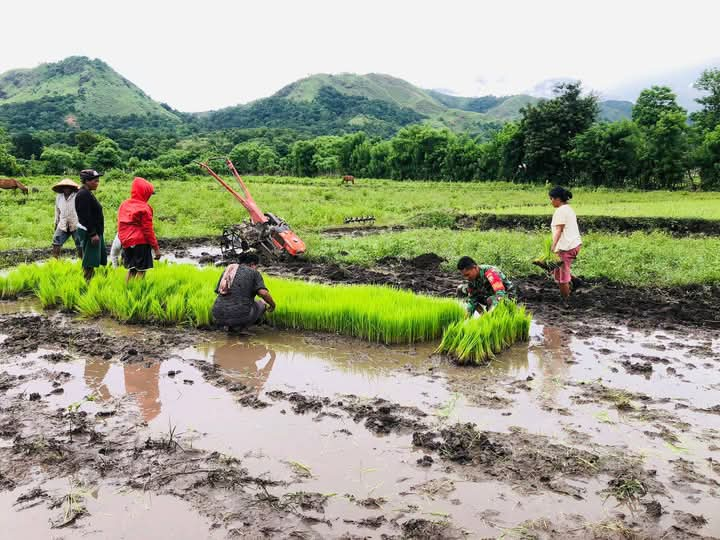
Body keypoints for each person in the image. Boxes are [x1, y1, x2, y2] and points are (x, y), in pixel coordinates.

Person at [212, 253, 276, 332]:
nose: (256, 268)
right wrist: (273, 305)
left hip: (217, 315)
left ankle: (231, 328)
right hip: (240, 315)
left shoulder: (228, 270)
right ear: (252, 264)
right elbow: (263, 293)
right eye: (257, 266)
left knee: (237, 303)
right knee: (262, 304)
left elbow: (219, 291)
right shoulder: (254, 273)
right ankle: (240, 328)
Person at [117, 177, 160, 282]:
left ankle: (127, 291)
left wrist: (123, 240)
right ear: (145, 193)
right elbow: (148, 230)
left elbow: (120, 224)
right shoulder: (145, 208)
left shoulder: (124, 204)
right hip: (141, 242)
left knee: (131, 270)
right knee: (142, 270)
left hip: (127, 242)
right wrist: (156, 248)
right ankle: (137, 293)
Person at [548, 186, 582, 300]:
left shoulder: (561, 211)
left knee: (562, 278)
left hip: (566, 248)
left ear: (558, 199)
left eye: (551, 198)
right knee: (559, 269)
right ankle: (575, 280)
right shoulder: (568, 208)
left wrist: (552, 247)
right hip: (574, 244)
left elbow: (559, 230)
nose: (551, 201)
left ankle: (566, 300)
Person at [75, 169, 107, 281]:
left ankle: (89, 281)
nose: (97, 183)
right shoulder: (83, 194)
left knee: (91, 259)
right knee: (89, 260)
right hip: (90, 232)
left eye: (98, 181)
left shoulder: (87, 193)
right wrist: (93, 234)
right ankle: (87, 283)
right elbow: (85, 217)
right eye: (95, 180)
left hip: (92, 231)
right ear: (87, 181)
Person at [51, 178, 82, 259]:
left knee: (80, 244)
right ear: (62, 188)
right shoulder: (59, 197)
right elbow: (57, 210)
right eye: (65, 187)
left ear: (72, 188)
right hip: (63, 223)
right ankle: (55, 261)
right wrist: (56, 223)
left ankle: (82, 261)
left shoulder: (77, 195)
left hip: (76, 223)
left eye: (68, 187)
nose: (66, 189)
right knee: (56, 241)